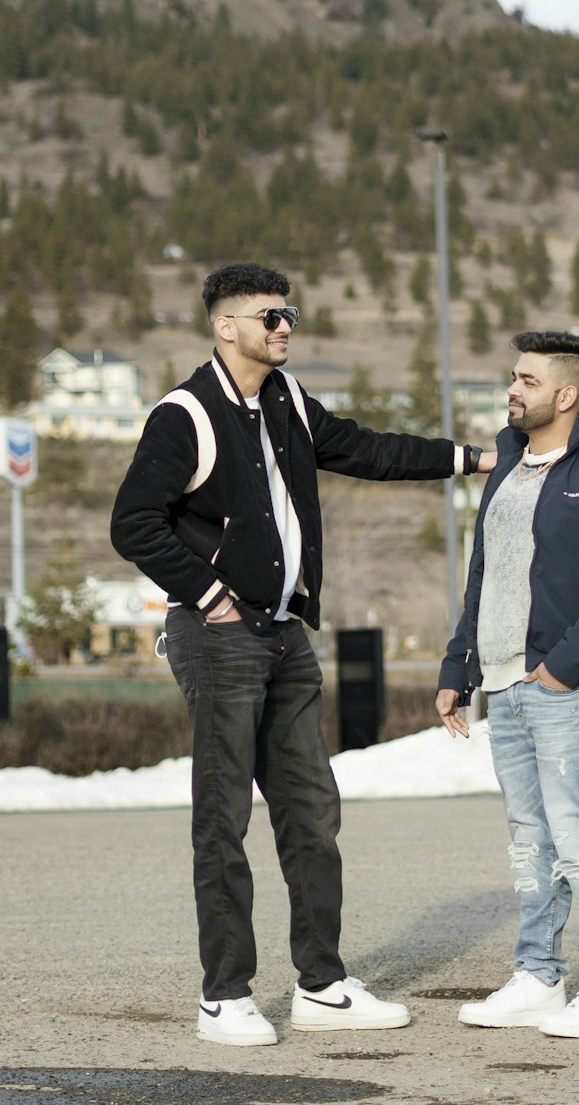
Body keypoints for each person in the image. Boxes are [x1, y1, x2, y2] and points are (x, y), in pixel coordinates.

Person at [111, 262, 492, 1047]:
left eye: (290, 313)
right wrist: (210, 595)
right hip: (219, 638)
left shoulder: (286, 401)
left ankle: (320, 984)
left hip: (286, 636)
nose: (285, 326)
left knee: (312, 814)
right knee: (223, 821)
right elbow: (133, 522)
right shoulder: (184, 415)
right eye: (269, 315)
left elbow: (366, 449)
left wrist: (476, 460)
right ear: (226, 327)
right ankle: (225, 995)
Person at [436, 331, 579, 1039]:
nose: (512, 389)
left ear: (566, 393)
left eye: (527, 380)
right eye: (512, 377)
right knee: (529, 838)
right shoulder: (509, 470)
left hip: (565, 688)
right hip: (503, 684)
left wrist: (559, 670)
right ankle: (538, 976)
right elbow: (484, 575)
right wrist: (458, 668)